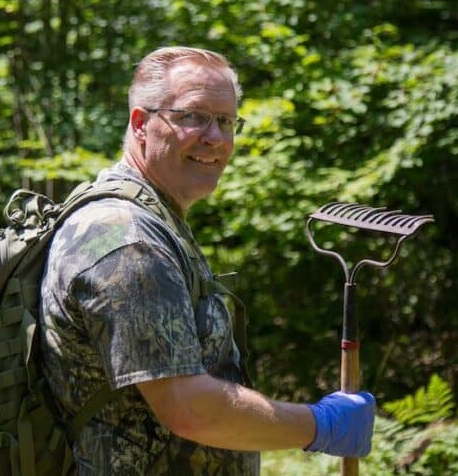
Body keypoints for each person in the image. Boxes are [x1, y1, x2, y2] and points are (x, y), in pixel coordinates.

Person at [39, 46, 376, 474]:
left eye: (226, 121)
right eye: (193, 116)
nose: (215, 138)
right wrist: (320, 425)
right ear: (141, 124)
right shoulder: (128, 240)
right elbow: (188, 408)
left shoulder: (153, 218)